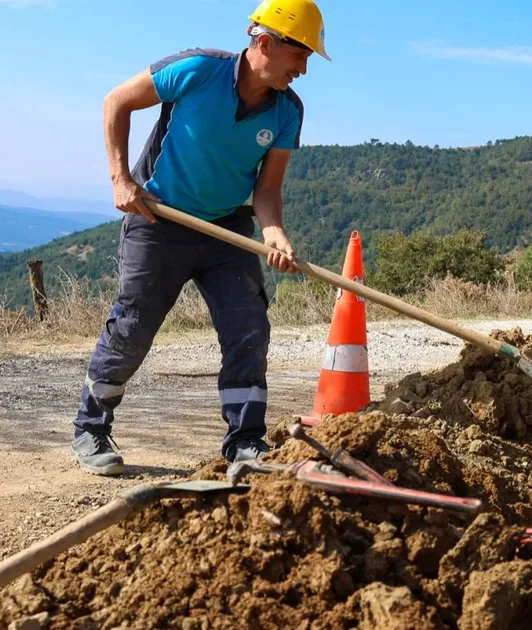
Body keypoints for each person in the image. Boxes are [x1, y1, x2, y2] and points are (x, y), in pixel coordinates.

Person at [71, 0, 331, 476]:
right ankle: (91, 427)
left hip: (227, 230)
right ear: (266, 43)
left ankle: (245, 440)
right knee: (132, 327)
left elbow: (267, 188)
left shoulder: (288, 111)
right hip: (158, 221)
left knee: (248, 329)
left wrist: (274, 232)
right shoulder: (195, 70)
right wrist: (120, 179)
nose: (303, 69)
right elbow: (116, 101)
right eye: (301, 55)